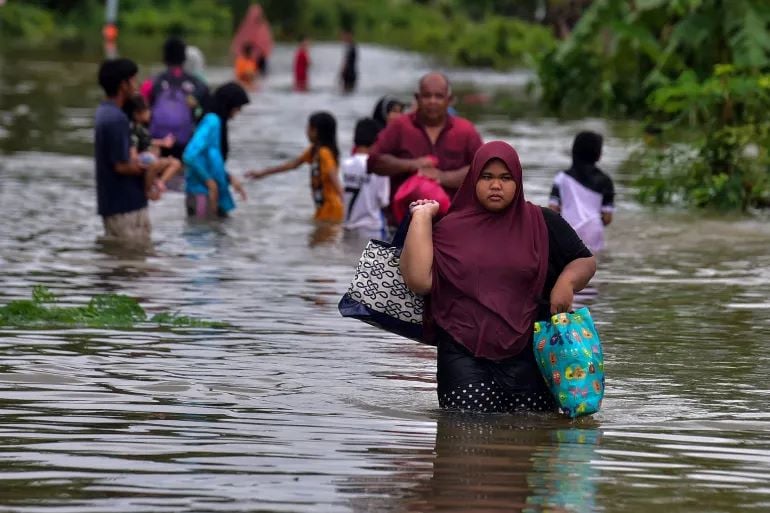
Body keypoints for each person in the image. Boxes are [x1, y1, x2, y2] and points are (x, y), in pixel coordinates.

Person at [400, 141, 597, 413]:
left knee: (528, 438)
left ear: (517, 181)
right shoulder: (448, 229)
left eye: (506, 178)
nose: (496, 185)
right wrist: (421, 216)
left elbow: (585, 260)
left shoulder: (542, 222)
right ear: (473, 180)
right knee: (463, 436)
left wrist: (567, 282)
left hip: (530, 355)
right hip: (462, 354)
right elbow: (419, 280)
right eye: (487, 177)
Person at [368, 72, 483, 215]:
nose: (432, 101)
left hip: (453, 222)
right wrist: (412, 165)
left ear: (449, 100)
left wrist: (442, 177)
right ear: (417, 98)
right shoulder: (400, 126)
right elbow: (373, 161)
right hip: (404, 222)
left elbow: (483, 170)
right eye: (427, 96)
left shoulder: (466, 130)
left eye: (439, 96)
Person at [94, 58, 155, 243]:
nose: (136, 85)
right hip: (126, 206)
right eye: (134, 80)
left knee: (122, 262)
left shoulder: (104, 112)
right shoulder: (117, 119)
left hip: (113, 203)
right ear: (123, 84)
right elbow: (122, 166)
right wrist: (150, 165)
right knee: (132, 262)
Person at [246, 112, 344, 223]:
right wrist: (263, 173)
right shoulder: (313, 150)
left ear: (315, 131)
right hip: (322, 209)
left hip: (331, 210)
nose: (306, 131)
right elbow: (292, 165)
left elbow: (333, 176)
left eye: (308, 128)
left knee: (321, 239)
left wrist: (346, 201)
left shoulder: (324, 153)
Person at [182, 82, 249, 219]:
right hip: (201, 194)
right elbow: (189, 155)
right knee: (202, 234)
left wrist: (229, 178)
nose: (238, 111)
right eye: (238, 107)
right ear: (229, 104)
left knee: (216, 234)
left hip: (210, 193)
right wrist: (209, 182)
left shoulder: (217, 122)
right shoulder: (212, 121)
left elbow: (210, 160)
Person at [548, 131, 615, 253]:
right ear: (599, 155)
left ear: (573, 152)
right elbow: (607, 218)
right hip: (593, 233)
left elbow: (553, 210)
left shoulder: (561, 178)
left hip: (567, 231)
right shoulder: (606, 181)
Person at [149, 36, 210, 159]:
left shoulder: (152, 83)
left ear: (164, 57)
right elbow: (206, 117)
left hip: (158, 143)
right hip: (186, 144)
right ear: (184, 58)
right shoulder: (199, 85)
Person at [122, 94, 182, 199]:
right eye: (147, 110)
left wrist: (163, 142)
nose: (150, 113)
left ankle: (159, 182)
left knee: (176, 163)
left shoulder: (141, 128)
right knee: (153, 160)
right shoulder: (131, 128)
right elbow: (133, 150)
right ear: (137, 114)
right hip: (141, 159)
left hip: (148, 157)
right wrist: (137, 159)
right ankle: (148, 190)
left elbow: (148, 141)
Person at [342, 118, 390, 239]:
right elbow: (384, 201)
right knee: (377, 259)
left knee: (348, 258)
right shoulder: (379, 168)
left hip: (348, 228)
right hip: (372, 231)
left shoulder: (345, 165)